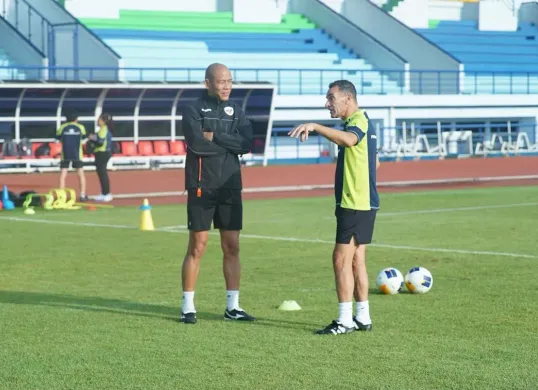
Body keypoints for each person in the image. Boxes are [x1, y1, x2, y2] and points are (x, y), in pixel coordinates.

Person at [288, 80, 380, 335]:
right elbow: (375, 162)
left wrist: (316, 126)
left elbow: (350, 141)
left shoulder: (358, 122)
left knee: (340, 260)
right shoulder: (365, 122)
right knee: (356, 260)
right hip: (363, 202)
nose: (327, 103)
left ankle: (344, 321)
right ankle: (362, 316)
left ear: (348, 98)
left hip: (354, 203)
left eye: (331, 98)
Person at [179, 63, 255, 324]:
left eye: (230, 81)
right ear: (207, 83)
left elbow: (247, 143)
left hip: (230, 187)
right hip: (201, 185)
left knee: (232, 246)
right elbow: (196, 144)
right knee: (197, 247)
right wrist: (226, 142)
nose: (226, 86)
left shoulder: (237, 110)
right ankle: (188, 306)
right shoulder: (191, 109)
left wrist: (216, 136)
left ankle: (232, 307)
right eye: (221, 81)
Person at [56, 109, 88, 202]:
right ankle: (82, 195)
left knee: (63, 175)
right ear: (76, 119)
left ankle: (61, 196)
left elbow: (58, 139)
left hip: (65, 154)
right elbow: (84, 140)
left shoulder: (62, 127)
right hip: (77, 154)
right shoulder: (81, 127)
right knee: (80, 174)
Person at [88, 113, 113, 202]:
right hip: (102, 153)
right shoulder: (103, 129)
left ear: (103, 121)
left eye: (99, 119)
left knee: (102, 173)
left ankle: (107, 193)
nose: (97, 121)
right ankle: (104, 193)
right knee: (101, 173)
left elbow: (100, 141)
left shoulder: (103, 129)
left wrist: (91, 138)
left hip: (102, 153)